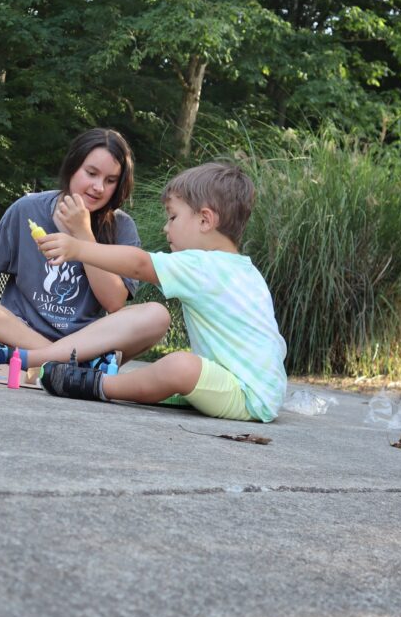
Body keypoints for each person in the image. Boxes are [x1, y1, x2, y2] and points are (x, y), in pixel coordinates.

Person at [35, 162, 287, 422]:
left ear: (205, 220)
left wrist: (78, 249)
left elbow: (139, 264)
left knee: (180, 366)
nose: (165, 228)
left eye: (173, 217)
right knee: (184, 367)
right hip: (265, 391)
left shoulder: (202, 265)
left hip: (246, 395)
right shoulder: (247, 271)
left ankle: (98, 385)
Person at [0, 127, 168, 371]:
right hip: (18, 332)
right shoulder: (27, 208)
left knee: (157, 316)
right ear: (72, 167)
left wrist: (83, 234)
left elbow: (114, 303)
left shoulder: (121, 227)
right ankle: (68, 364)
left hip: (84, 341)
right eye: (91, 173)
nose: (99, 187)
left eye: (110, 180)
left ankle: (30, 361)